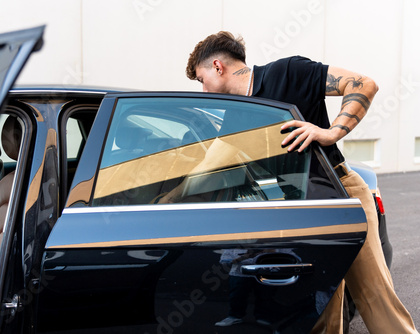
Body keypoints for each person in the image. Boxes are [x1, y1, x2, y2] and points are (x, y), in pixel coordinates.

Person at [175, 31, 418, 334]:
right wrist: (163, 198)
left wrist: (330, 133)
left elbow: (365, 85)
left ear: (217, 66)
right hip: (302, 211)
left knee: (373, 296)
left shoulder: (288, 71)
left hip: (341, 194)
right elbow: (205, 170)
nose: (204, 90)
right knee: (321, 308)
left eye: (201, 79)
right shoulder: (235, 118)